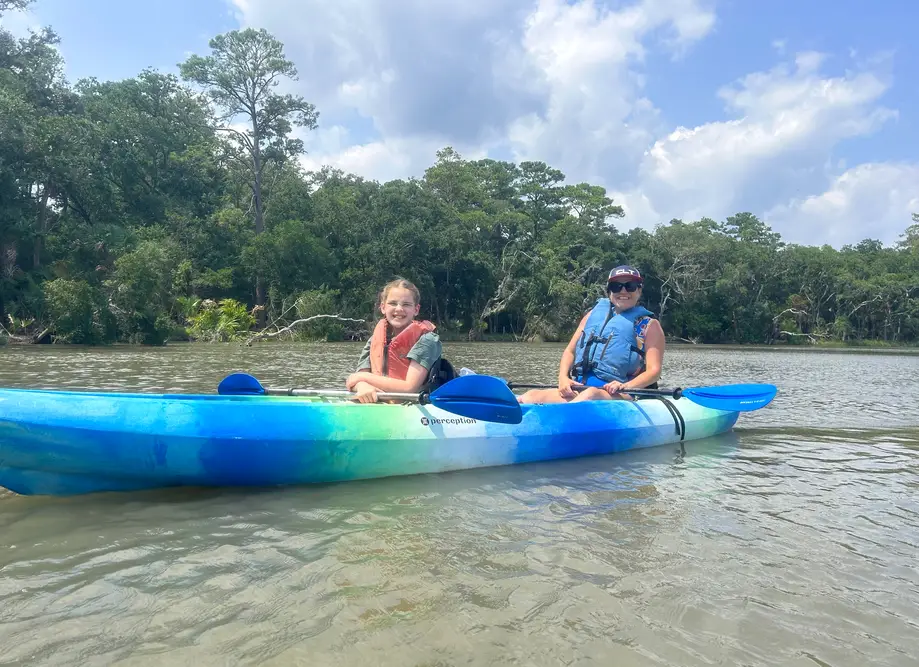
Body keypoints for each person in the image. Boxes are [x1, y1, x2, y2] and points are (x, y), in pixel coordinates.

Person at [517, 265, 665, 404]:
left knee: (591, 395)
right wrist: (563, 378)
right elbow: (570, 351)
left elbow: (654, 371)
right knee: (532, 395)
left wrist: (626, 385)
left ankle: (561, 420)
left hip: (621, 393)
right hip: (581, 389)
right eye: (616, 286)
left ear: (639, 291)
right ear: (609, 291)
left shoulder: (649, 325)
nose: (623, 291)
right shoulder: (591, 316)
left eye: (630, 286)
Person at [346, 278, 444, 404]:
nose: (399, 309)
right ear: (383, 307)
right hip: (381, 404)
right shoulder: (374, 340)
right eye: (393, 303)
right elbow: (355, 381)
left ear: (416, 309)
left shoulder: (427, 340)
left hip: (413, 406)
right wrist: (362, 386)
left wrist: (362, 378)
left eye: (406, 304)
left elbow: (409, 388)